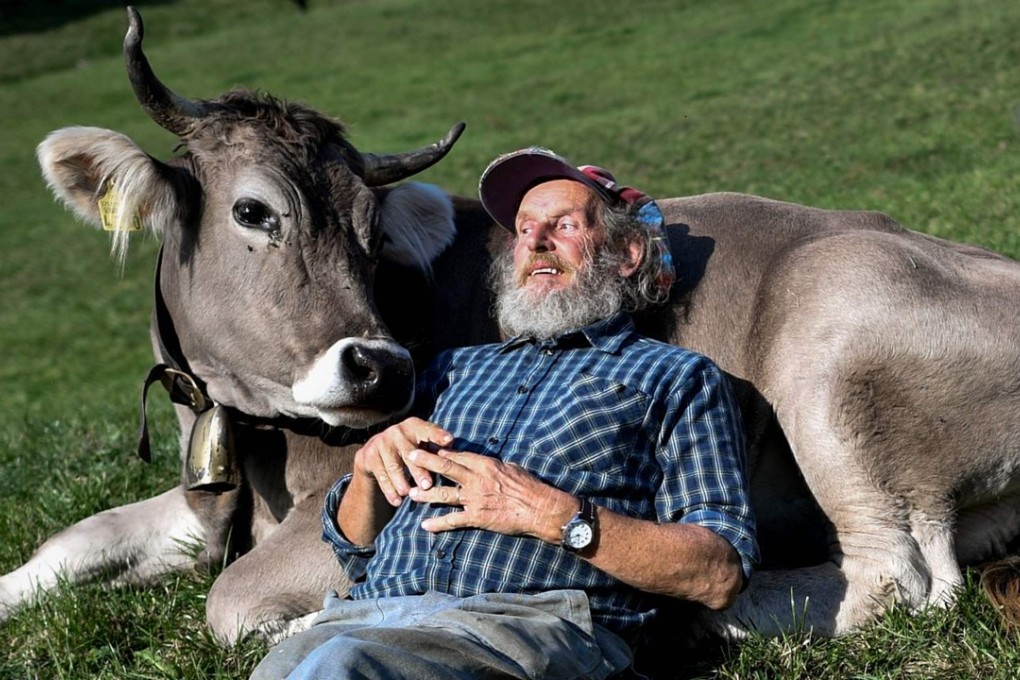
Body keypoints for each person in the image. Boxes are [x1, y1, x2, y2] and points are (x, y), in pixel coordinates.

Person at [251, 147, 759, 679]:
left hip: (527, 631)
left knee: (341, 666)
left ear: (628, 253)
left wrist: (551, 516)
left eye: (563, 225)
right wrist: (368, 475)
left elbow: (717, 572)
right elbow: (354, 551)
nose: (536, 242)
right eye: (523, 229)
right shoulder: (451, 370)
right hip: (365, 619)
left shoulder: (674, 377)